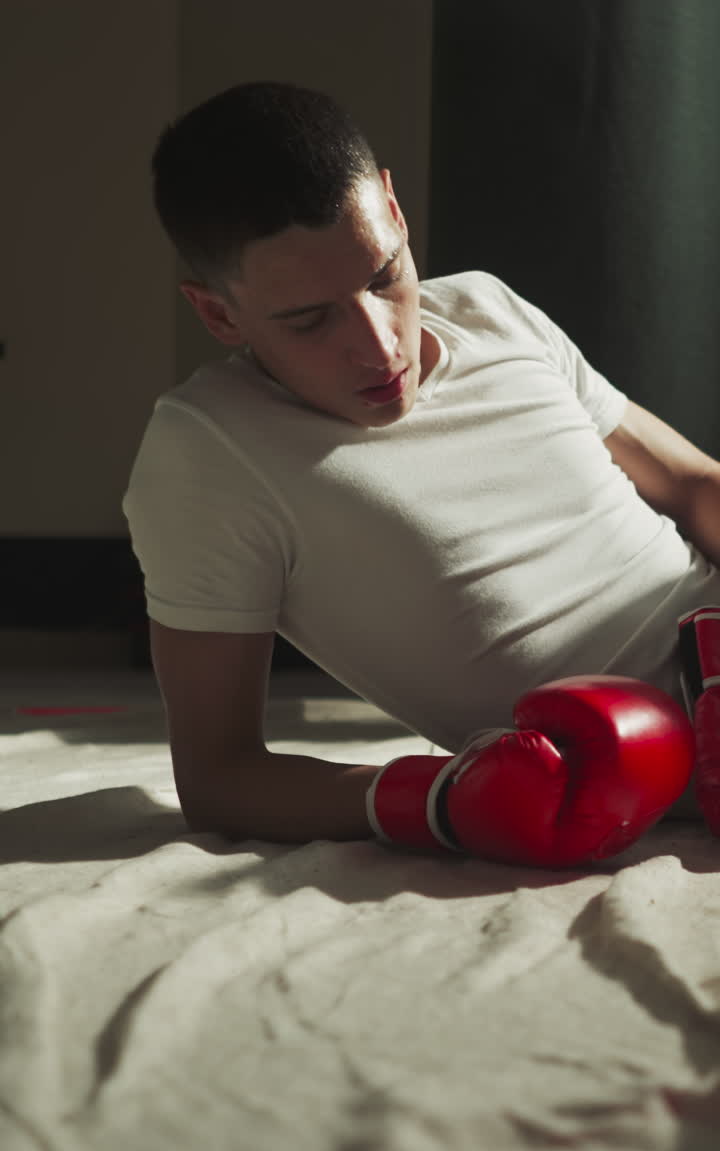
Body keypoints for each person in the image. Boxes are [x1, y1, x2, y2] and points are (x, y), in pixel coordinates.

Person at [122, 81, 720, 851]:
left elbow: (690, 481)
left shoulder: (486, 309)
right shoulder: (209, 450)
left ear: (394, 212)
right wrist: (439, 797)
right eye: (309, 320)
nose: (379, 347)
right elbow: (217, 775)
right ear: (218, 314)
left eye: (383, 276)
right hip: (649, 759)